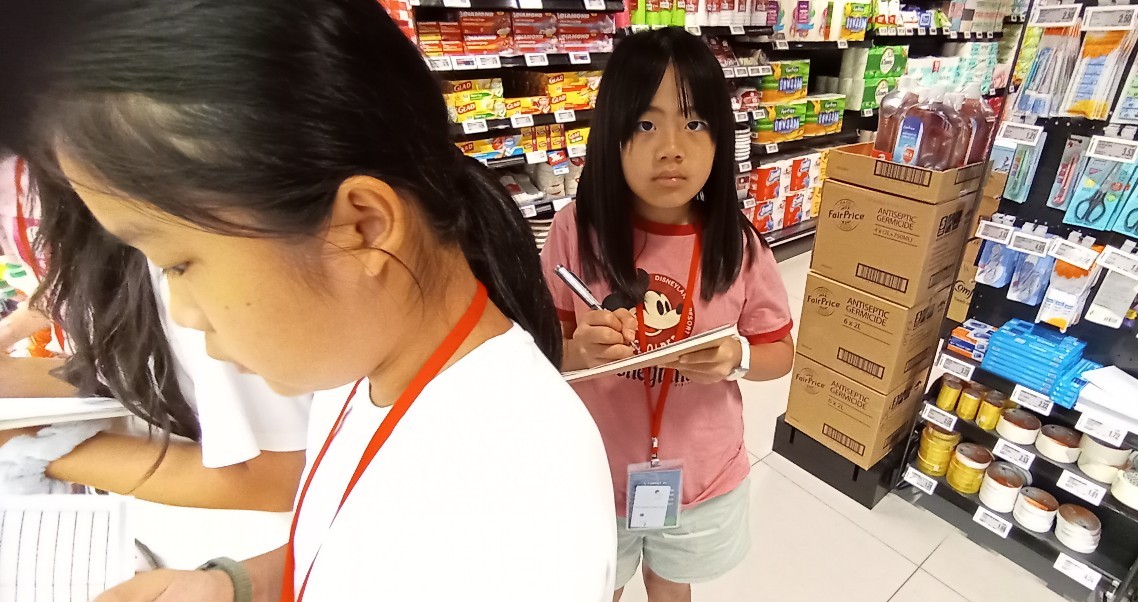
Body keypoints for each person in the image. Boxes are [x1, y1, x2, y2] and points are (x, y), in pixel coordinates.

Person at [11, 1, 616, 600]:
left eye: (179, 264)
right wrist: (230, 586)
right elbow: (355, 547)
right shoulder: (364, 369)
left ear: (363, 228)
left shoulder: (512, 487)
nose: (185, 314)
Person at [541, 28, 795, 602]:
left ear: (721, 136)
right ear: (612, 133)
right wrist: (576, 352)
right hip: (594, 472)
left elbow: (780, 354)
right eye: (645, 124)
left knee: (671, 583)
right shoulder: (574, 231)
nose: (672, 148)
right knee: (598, 586)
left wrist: (737, 357)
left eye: (695, 123)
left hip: (701, 476)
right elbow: (543, 350)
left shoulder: (738, 244)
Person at [0, 155, 310, 512]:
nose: (185, 311)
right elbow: (140, 376)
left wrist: (24, 445)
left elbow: (277, 480)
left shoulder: (180, 262)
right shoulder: (104, 248)